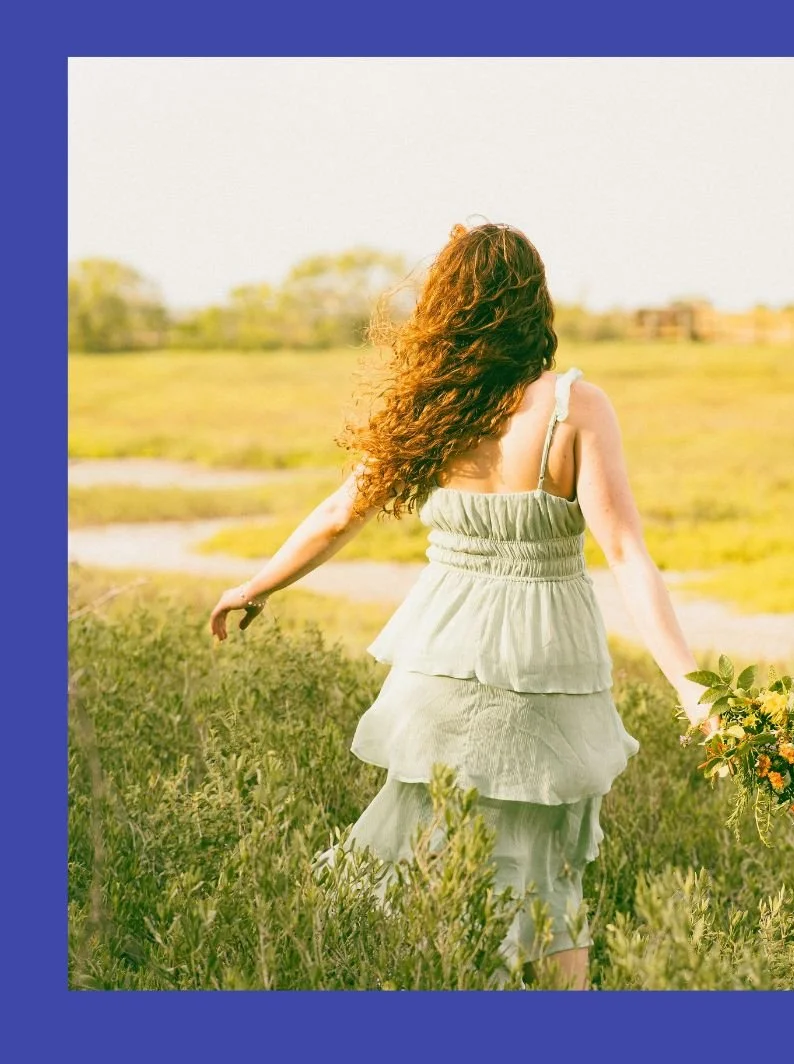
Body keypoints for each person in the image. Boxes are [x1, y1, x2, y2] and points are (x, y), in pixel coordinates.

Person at [209, 222, 714, 990]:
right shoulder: (573, 407)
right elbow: (626, 552)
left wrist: (256, 585)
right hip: (546, 673)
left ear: (446, 309)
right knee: (545, 880)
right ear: (532, 304)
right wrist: (690, 685)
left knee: (422, 862)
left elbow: (339, 513)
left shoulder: (432, 410)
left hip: (438, 667)